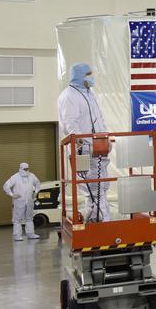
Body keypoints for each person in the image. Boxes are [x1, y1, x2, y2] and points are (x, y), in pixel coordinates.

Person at [57, 62, 111, 223]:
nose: (92, 77)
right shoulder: (69, 96)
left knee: (100, 187)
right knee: (93, 188)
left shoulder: (89, 94)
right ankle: (103, 221)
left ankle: (96, 219)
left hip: (98, 147)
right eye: (88, 74)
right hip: (85, 149)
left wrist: (105, 138)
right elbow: (71, 125)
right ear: (79, 76)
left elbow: (99, 118)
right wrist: (87, 144)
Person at [3, 162, 42, 241]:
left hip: (29, 201)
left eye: (27, 169)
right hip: (19, 201)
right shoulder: (15, 177)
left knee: (29, 218)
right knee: (17, 219)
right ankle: (17, 235)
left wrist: (36, 192)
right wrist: (12, 194)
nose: (27, 170)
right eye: (25, 169)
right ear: (21, 168)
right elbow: (6, 185)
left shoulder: (32, 176)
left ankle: (31, 233)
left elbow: (37, 183)